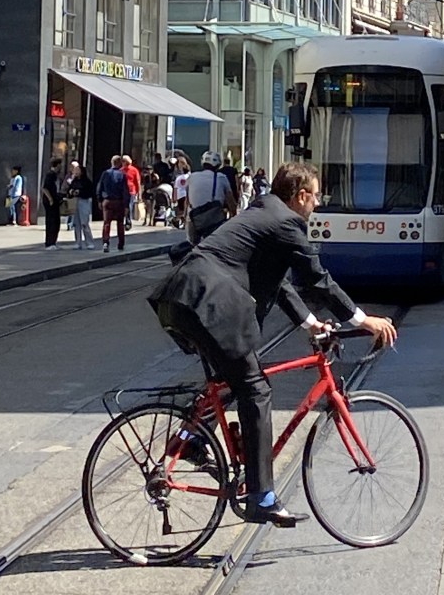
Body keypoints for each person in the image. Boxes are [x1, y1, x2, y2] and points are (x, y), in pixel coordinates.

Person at [148, 161, 397, 527]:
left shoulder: (264, 212)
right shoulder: (286, 222)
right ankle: (261, 496)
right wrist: (362, 320)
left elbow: (279, 284)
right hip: (204, 301)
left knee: (236, 377)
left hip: (185, 299)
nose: (317, 205)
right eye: (315, 197)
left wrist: (311, 324)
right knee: (256, 390)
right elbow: (317, 280)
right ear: (300, 196)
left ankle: (189, 439)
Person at [185, 150, 237, 244]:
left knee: (192, 244)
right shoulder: (221, 177)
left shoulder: (192, 177)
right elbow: (231, 201)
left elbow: (187, 201)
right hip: (214, 218)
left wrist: (184, 215)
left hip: (194, 218)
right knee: (216, 244)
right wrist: (234, 216)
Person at [96, 155, 131, 253]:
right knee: (120, 223)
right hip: (119, 201)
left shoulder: (105, 173)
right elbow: (125, 191)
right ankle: (121, 243)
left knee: (107, 223)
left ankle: (106, 242)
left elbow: (99, 187)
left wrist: (99, 200)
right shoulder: (122, 175)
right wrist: (126, 205)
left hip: (107, 201)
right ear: (120, 163)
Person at [68, 164, 95, 250]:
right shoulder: (74, 181)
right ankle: (78, 242)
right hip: (75, 201)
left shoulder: (86, 181)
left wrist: (80, 192)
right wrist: (71, 192)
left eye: (77, 170)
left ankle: (89, 242)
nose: (75, 172)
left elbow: (89, 192)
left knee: (84, 223)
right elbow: (69, 190)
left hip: (84, 201)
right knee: (76, 223)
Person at [41, 158, 62, 249]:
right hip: (50, 202)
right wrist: (50, 199)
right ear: (57, 165)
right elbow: (44, 188)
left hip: (55, 201)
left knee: (55, 221)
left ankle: (53, 242)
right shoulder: (50, 175)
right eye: (60, 165)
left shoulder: (55, 175)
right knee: (52, 221)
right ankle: (50, 243)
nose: (61, 167)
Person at [121, 155, 142, 229]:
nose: (123, 163)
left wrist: (139, 194)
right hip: (123, 191)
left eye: (124, 161)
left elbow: (137, 182)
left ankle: (128, 222)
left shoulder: (134, 170)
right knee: (124, 207)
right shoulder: (121, 170)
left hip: (131, 191)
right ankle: (124, 220)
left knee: (129, 206)